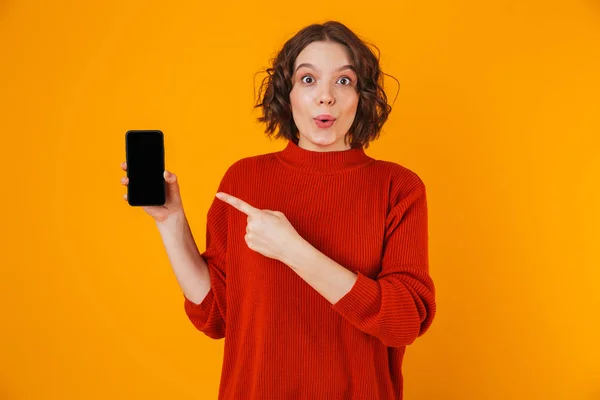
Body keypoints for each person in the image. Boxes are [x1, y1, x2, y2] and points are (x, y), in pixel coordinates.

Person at [119, 20, 436, 400]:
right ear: (286, 95)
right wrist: (171, 222)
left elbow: (404, 322)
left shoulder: (398, 188)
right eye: (308, 80)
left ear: (362, 96)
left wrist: (294, 251)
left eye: (344, 81)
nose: (325, 97)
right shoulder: (244, 179)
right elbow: (216, 316)